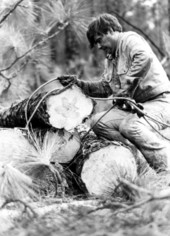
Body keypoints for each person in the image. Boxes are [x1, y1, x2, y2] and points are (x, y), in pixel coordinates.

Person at [59, 13, 170, 172]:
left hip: (160, 102)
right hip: (137, 108)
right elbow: (105, 88)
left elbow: (143, 57)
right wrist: (79, 83)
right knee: (99, 122)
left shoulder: (130, 39)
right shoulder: (112, 58)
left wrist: (128, 83)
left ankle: (166, 169)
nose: (98, 47)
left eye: (98, 40)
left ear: (110, 30)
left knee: (130, 126)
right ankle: (138, 162)